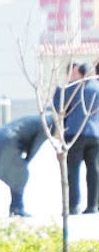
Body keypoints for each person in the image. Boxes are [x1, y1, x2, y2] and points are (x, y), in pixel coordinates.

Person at [0, 114, 48, 217]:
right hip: (6, 141)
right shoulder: (48, 124)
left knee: (17, 175)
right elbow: (35, 147)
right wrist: (26, 162)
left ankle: (16, 207)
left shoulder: (44, 119)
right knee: (21, 174)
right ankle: (17, 208)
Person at [52, 62, 99, 214]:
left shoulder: (72, 88)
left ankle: (73, 206)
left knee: (73, 170)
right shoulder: (97, 87)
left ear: (80, 73)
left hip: (74, 133)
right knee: (94, 170)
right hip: (95, 134)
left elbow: (57, 104)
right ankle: (93, 205)